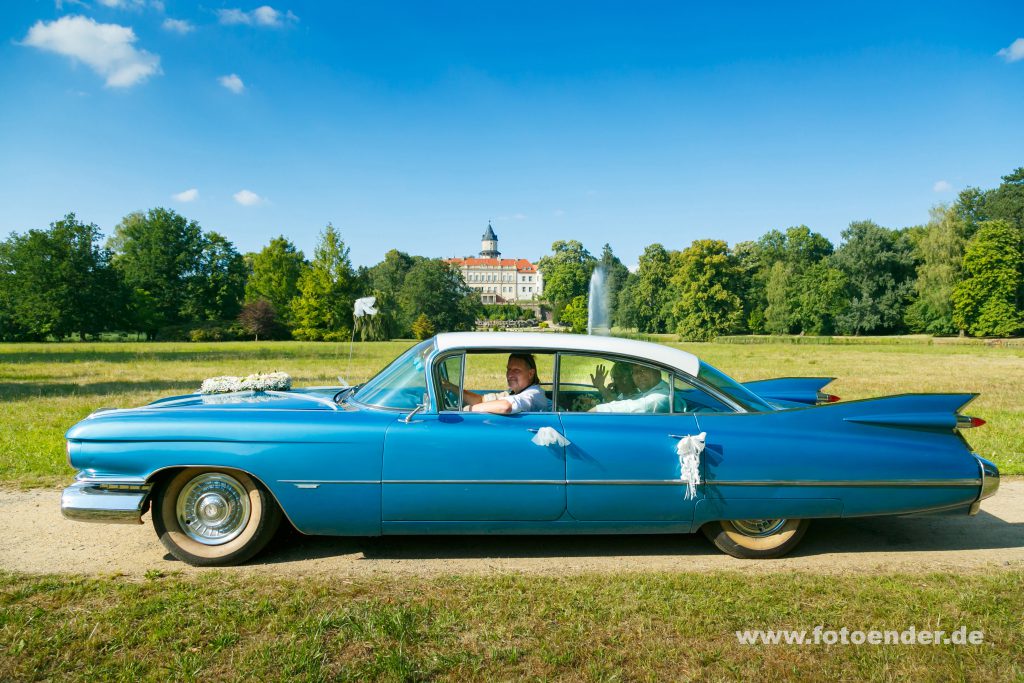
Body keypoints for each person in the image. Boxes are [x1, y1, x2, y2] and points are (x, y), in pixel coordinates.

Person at [444, 353, 550, 414]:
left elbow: (506, 406)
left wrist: (468, 410)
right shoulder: (514, 393)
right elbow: (481, 400)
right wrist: (449, 386)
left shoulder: (534, 394)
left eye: (516, 370)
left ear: (531, 373)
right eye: (508, 369)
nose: (509, 375)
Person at [590, 364, 670, 413]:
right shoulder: (651, 391)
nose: (639, 375)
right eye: (635, 372)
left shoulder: (660, 396)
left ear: (657, 370)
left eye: (643, 370)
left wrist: (599, 409)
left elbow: (635, 407)